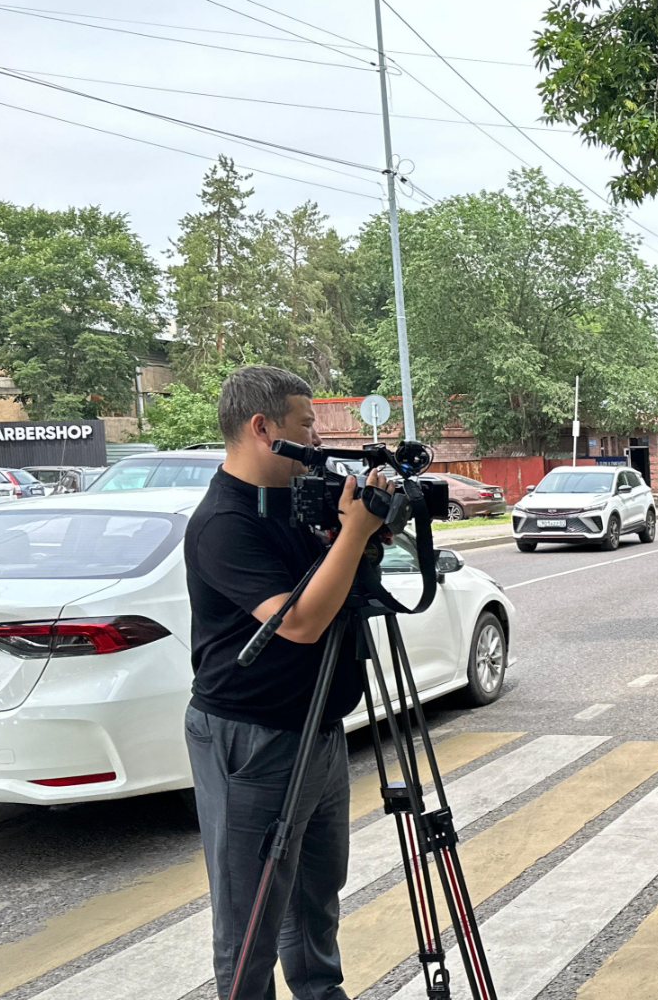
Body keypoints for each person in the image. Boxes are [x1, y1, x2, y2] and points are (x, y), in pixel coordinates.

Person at [184, 365, 393, 999]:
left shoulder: (292, 502)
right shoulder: (224, 520)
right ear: (262, 428)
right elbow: (298, 623)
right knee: (250, 921)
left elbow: (337, 594)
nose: (317, 441)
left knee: (314, 901)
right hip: (251, 738)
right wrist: (354, 532)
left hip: (318, 729)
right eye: (306, 425)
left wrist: (360, 535)